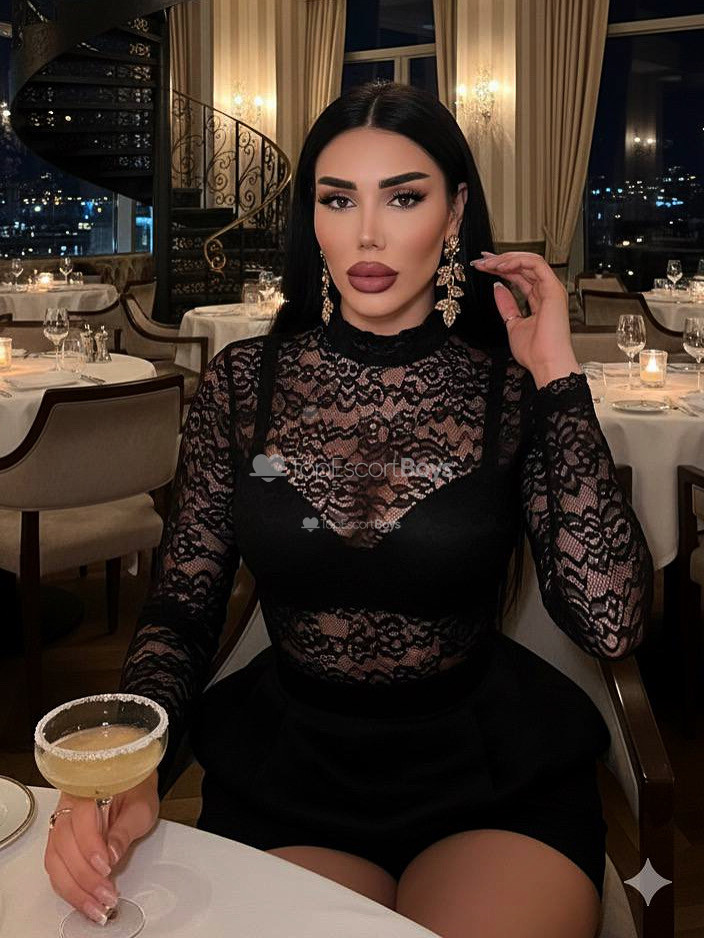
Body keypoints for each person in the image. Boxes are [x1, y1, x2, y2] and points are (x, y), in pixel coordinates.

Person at [42, 81, 653, 937]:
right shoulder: (243, 386)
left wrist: (556, 373)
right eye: (338, 199)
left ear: (454, 212)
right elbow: (180, 609)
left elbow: (612, 623)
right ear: (313, 219)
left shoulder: (511, 391)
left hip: (490, 774)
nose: (367, 233)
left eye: (402, 198)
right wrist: (130, 757)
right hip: (292, 770)